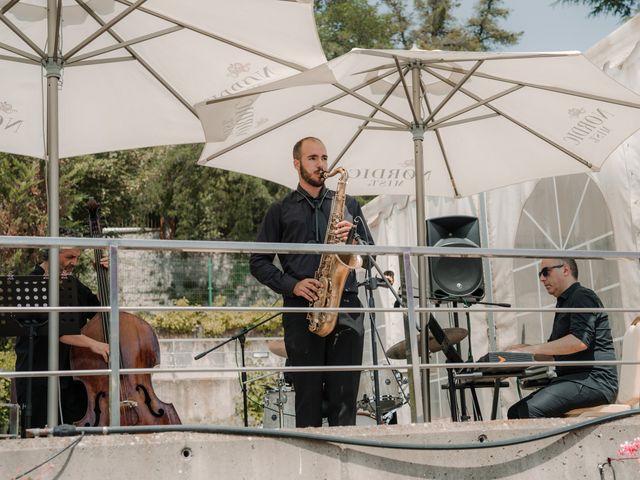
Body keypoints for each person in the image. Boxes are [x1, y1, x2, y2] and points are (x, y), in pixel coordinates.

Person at [250, 136, 374, 428]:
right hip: (302, 310)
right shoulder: (279, 210)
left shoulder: (349, 205)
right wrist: (292, 285)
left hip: (346, 307)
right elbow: (258, 262)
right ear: (297, 164)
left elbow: (370, 256)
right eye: (313, 158)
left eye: (324, 158)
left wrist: (353, 240)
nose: (321, 165)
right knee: (307, 401)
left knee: (345, 402)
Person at [506, 258, 618, 418]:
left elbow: (579, 342)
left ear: (565, 270)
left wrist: (530, 349)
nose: (542, 278)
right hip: (575, 380)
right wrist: (519, 351)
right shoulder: (565, 303)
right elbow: (552, 354)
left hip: (595, 381)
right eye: (540, 274)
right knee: (515, 412)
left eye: (546, 272)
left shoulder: (582, 296)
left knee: (527, 412)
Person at [14, 247, 109, 430]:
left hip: (72, 379)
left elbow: (101, 312)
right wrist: (94, 344)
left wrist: (108, 277)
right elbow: (55, 329)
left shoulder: (72, 284)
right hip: (38, 377)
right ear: (52, 252)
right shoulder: (32, 283)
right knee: (39, 435)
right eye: (69, 257)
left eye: (77, 257)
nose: (74, 262)